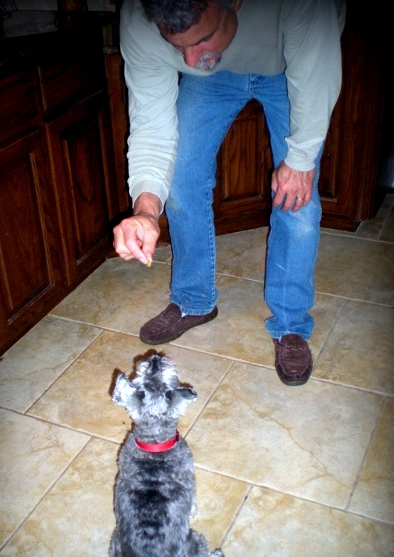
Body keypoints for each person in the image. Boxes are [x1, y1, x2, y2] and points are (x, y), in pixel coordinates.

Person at [113, 0, 346, 386]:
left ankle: (290, 324)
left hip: (290, 69)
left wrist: (301, 160)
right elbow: (152, 127)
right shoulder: (141, 17)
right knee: (182, 180)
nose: (189, 57)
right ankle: (193, 301)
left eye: (202, 37)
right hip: (213, 78)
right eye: (177, 45)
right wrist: (147, 209)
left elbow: (317, 72)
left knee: (296, 200)